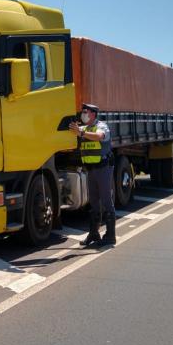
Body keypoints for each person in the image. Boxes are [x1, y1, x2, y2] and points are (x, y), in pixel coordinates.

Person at [69, 103, 116, 246]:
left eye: (85, 112)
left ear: (93, 114)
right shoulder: (84, 128)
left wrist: (81, 132)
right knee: (94, 202)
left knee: (106, 200)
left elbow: (100, 136)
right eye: (82, 112)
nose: (83, 114)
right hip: (91, 169)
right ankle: (94, 234)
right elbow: (74, 131)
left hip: (103, 168)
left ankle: (110, 236)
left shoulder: (101, 126)